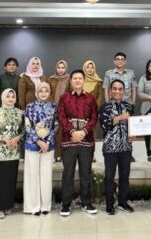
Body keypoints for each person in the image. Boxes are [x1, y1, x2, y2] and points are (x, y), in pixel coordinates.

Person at [58, 69, 98, 217]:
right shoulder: (64, 98)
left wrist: (84, 132)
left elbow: (94, 117)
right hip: (69, 140)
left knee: (85, 173)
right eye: (74, 78)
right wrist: (72, 132)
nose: (77, 80)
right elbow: (61, 116)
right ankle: (66, 204)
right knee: (68, 173)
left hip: (86, 141)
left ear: (83, 80)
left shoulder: (91, 98)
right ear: (71, 81)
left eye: (80, 78)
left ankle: (86, 202)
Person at [100, 79, 135, 215]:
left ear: (124, 91)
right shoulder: (105, 107)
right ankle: (109, 204)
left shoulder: (129, 106)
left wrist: (133, 135)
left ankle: (122, 202)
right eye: (114, 89)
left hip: (126, 147)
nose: (117, 91)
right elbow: (105, 125)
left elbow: (132, 124)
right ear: (110, 91)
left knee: (124, 177)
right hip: (110, 148)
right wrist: (120, 117)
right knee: (109, 177)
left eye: (120, 89)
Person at [0, 88, 24, 218]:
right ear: (3, 98)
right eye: (8, 96)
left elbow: (24, 130)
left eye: (12, 97)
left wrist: (17, 138)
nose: (10, 99)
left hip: (13, 152)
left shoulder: (20, 113)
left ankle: (8, 205)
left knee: (10, 179)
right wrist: (4, 139)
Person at [23, 83, 58, 215]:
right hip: (32, 144)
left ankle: (45, 206)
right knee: (32, 175)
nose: (43, 93)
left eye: (46, 91)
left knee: (46, 175)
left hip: (48, 146)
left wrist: (47, 142)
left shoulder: (54, 107)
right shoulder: (30, 107)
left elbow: (56, 125)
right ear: (36, 93)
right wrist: (38, 141)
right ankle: (33, 207)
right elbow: (27, 125)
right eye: (41, 91)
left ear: (49, 92)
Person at [48, 60, 69, 162]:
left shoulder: (69, 79)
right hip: (52, 109)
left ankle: (59, 154)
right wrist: (53, 106)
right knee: (52, 132)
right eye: (59, 67)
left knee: (61, 133)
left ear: (66, 68)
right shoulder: (51, 79)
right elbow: (48, 93)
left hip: (65, 110)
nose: (60, 70)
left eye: (63, 68)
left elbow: (70, 94)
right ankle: (52, 154)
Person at [83, 60, 103, 144]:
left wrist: (94, 108)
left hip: (93, 112)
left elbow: (100, 97)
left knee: (92, 132)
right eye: (88, 67)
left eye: (92, 67)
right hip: (80, 111)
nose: (90, 69)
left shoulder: (98, 82)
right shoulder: (80, 80)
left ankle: (92, 150)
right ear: (84, 69)